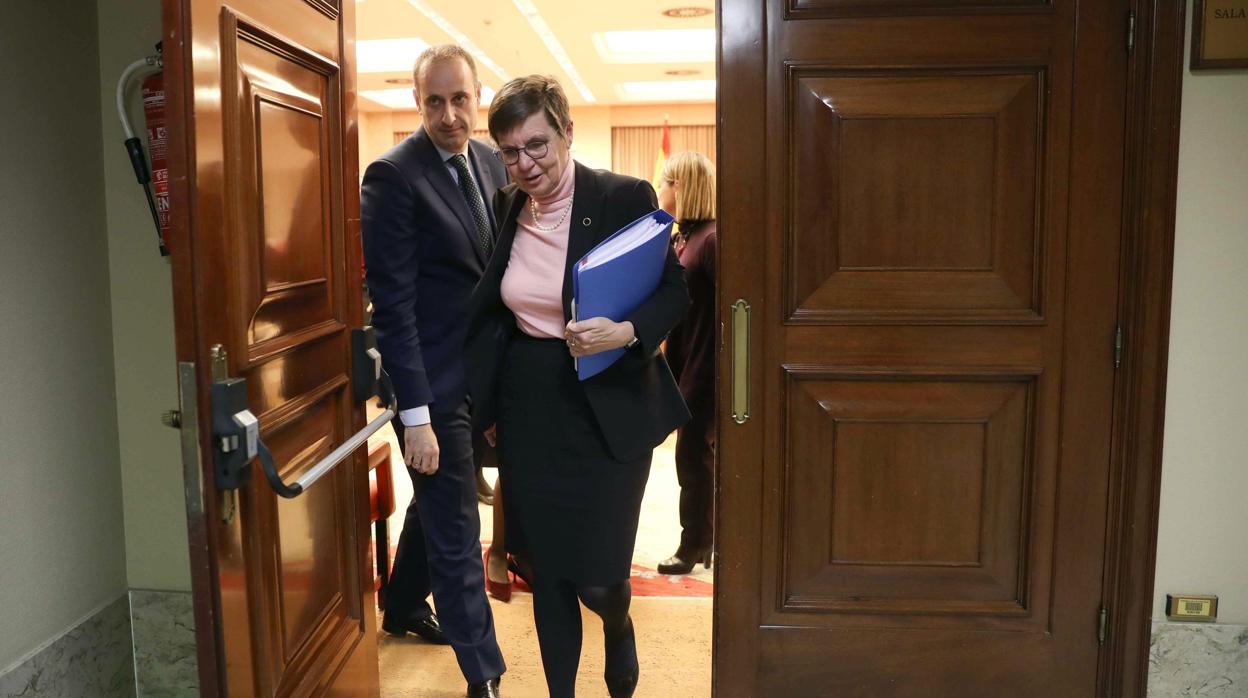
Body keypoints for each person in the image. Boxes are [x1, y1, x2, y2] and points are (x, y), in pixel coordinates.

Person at [465, 75, 691, 698]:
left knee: (599, 580)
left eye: (536, 145)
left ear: (567, 132)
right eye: (509, 152)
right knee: (548, 573)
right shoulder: (509, 203)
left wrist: (625, 331)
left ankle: (618, 629)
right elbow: (497, 311)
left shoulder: (622, 196)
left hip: (606, 407)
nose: (524, 164)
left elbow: (675, 290)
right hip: (529, 409)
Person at [361, 44, 506, 698]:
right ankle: (487, 679)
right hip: (431, 385)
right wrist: (413, 418)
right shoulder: (393, 177)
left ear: (478, 97)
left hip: (484, 379)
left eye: (459, 99)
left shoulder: (494, 162)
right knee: (457, 530)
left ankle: (399, 604)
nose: (449, 115)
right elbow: (392, 308)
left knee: (435, 504)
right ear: (417, 103)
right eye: (434, 102)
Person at [655, 152, 718, 575]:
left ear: (682, 188)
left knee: (693, 458)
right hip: (685, 361)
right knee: (691, 457)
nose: (660, 189)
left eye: (665, 181)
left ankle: (693, 544)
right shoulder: (685, 236)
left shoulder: (711, 239)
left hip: (706, 365)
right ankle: (701, 541)